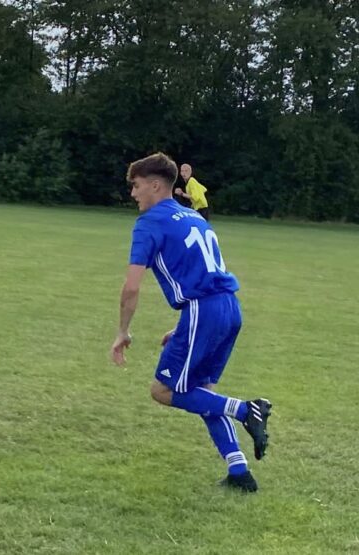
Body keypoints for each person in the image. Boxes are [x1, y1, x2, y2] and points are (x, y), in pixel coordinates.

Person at [110, 153, 272, 492]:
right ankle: (239, 472)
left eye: (136, 186)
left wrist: (123, 331)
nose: (133, 193)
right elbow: (206, 272)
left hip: (204, 310)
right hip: (227, 307)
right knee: (201, 392)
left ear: (155, 185)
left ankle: (246, 409)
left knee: (162, 390)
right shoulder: (195, 217)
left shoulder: (150, 222)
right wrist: (186, 324)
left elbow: (131, 287)